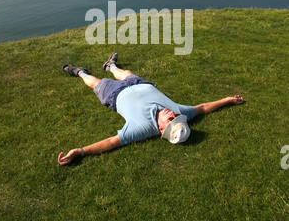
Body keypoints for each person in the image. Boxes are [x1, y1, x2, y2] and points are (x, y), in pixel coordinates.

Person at [58, 52, 243, 165]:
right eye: (176, 117)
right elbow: (203, 108)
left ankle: (79, 72)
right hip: (139, 83)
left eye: (171, 120)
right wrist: (227, 100)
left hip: (115, 94)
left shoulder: (142, 129)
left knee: (96, 83)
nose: (173, 114)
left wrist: (79, 152)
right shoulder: (182, 114)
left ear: (161, 130)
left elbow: (111, 142)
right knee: (126, 73)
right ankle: (110, 65)